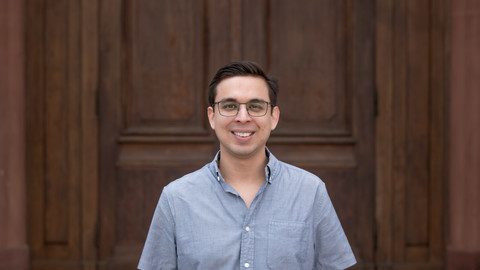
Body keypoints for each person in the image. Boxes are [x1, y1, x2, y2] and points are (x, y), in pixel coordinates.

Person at [138, 61, 356, 270]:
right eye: (230, 106)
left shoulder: (310, 192)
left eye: (255, 106)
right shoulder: (176, 198)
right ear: (212, 117)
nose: (243, 117)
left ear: (274, 117)